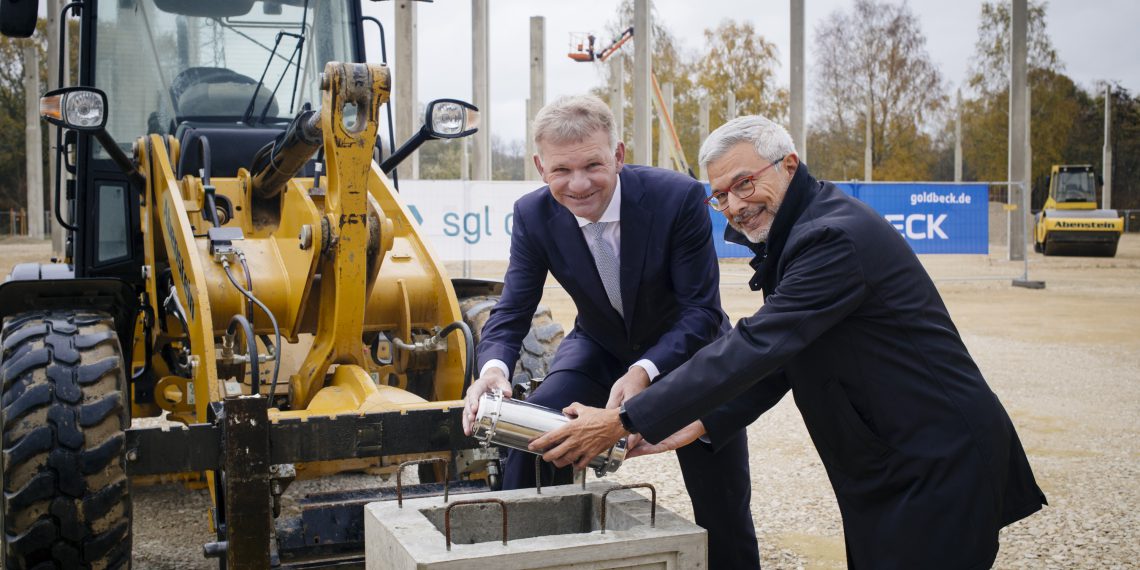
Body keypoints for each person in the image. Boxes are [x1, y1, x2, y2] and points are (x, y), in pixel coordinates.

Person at [531, 115, 1048, 569]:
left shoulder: (832, 238)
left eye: (746, 182)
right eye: (721, 194)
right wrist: (696, 425)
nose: (735, 204)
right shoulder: (802, 232)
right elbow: (783, 360)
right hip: (894, 460)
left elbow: (757, 345)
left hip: (936, 461)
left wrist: (624, 420)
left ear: (789, 165)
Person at [462, 95, 762, 569]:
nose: (578, 184)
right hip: (599, 347)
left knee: (722, 508)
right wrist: (493, 368)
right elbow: (513, 308)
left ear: (618, 155)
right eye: (561, 170)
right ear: (541, 166)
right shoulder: (532, 214)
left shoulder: (677, 197)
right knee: (535, 429)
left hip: (689, 353)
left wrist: (644, 372)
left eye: (593, 165)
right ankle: (529, 557)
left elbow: (701, 312)